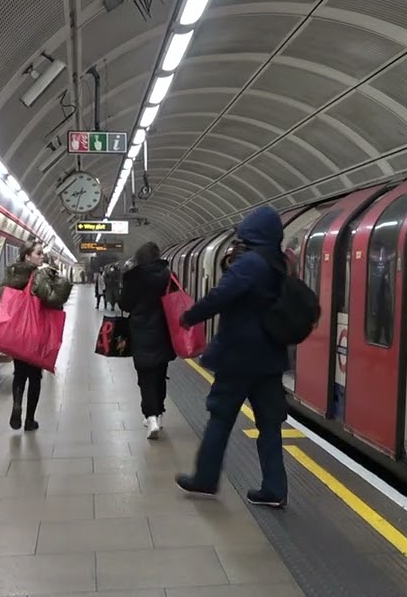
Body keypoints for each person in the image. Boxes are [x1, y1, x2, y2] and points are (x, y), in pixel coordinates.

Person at [176, 206, 290, 508]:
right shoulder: (279, 263)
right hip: (270, 357)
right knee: (269, 424)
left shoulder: (249, 264)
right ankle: (274, 489)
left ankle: (205, 478)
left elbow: (220, 296)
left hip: (239, 356)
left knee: (221, 416)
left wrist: (190, 316)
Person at [0, 240, 72, 431]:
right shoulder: (39, 275)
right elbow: (52, 299)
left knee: (19, 373)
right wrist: (55, 278)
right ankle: (30, 420)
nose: (42, 256)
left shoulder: (12, 274)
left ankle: (17, 404)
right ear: (28, 256)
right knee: (35, 376)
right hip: (36, 333)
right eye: (38, 253)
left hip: (17, 334)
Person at [118, 242, 177, 439]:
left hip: (141, 331)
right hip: (165, 331)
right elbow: (176, 300)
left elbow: (124, 304)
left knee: (146, 376)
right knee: (160, 374)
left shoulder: (134, 277)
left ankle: (150, 416)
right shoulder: (169, 275)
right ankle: (159, 414)